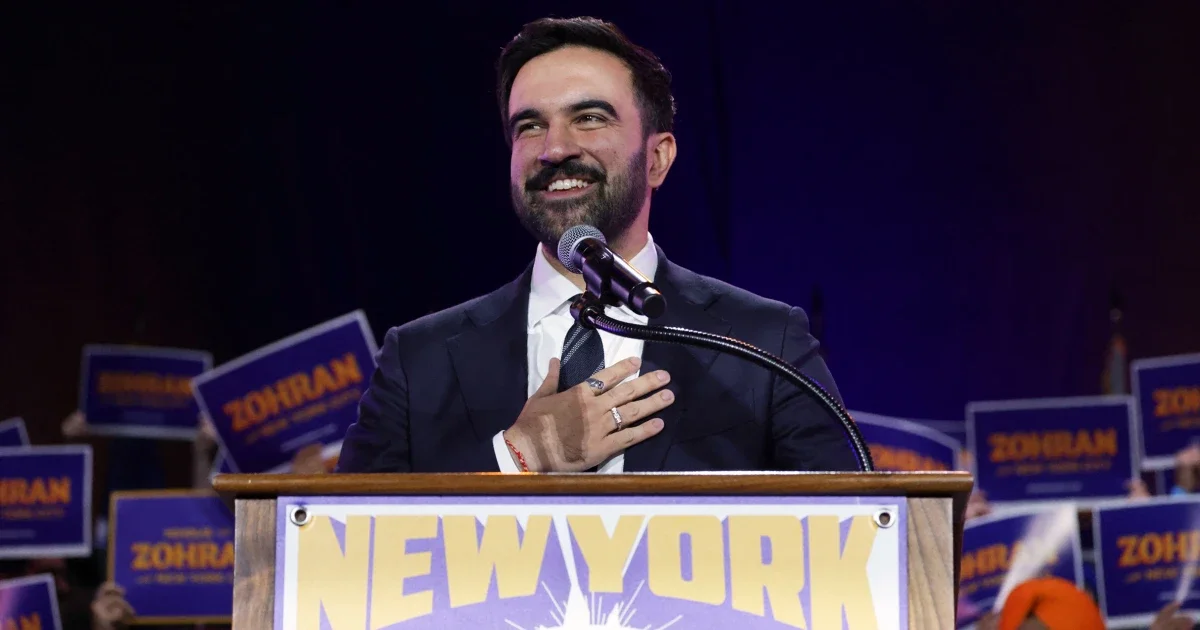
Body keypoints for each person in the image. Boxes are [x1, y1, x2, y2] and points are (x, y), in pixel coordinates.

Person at [337, 16, 857, 474]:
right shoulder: (417, 360)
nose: (555, 148)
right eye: (530, 126)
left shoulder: (765, 344)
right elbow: (341, 538)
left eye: (589, 117)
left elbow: (853, 532)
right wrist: (515, 458)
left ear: (657, 159)